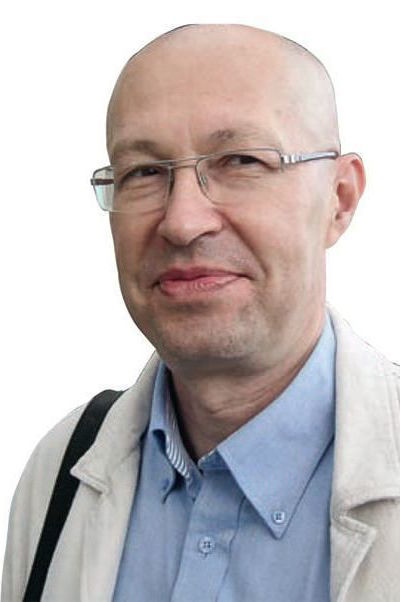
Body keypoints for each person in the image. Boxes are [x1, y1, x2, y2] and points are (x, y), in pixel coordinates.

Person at [2, 22, 400, 602]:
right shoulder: (60, 470)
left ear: (339, 200)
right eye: (144, 172)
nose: (183, 221)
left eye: (241, 161)